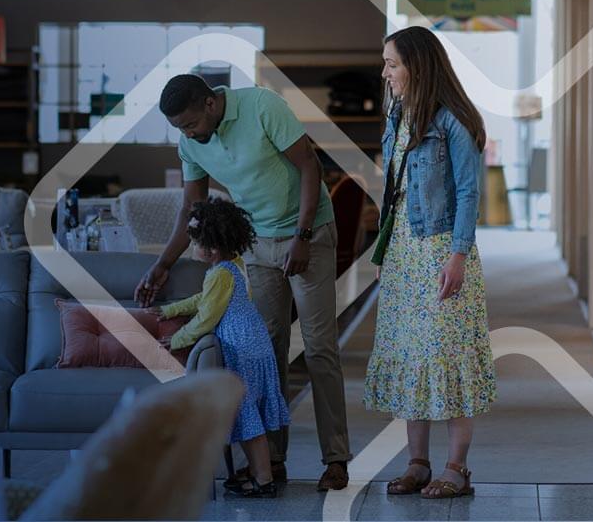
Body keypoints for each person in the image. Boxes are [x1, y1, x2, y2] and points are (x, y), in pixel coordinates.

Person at [137, 74, 352, 491]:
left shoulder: (262, 107)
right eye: (179, 128)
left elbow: (310, 166)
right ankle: (270, 461)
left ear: (211, 104)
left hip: (307, 235)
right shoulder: (192, 143)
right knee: (266, 350)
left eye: (189, 124)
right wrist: (163, 264)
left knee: (319, 345)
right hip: (255, 244)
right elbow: (192, 209)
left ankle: (336, 459)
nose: (187, 134)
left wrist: (302, 237)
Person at [363, 26, 497, 499]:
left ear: (417, 66)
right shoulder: (398, 114)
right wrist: (385, 248)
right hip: (403, 252)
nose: (385, 72)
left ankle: (456, 468)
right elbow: (394, 190)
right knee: (409, 356)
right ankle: (417, 463)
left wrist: (458, 256)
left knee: (448, 356)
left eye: (392, 63)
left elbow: (467, 192)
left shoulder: (453, 120)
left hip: (441, 250)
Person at [149, 198, 290, 498]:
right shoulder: (232, 266)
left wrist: (176, 340)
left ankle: (263, 480)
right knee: (251, 415)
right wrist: (172, 310)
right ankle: (257, 474)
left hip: (242, 349)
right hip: (255, 344)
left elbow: (206, 318)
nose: (192, 248)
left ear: (211, 249)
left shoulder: (220, 274)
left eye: (195, 243)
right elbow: (204, 299)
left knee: (248, 417)